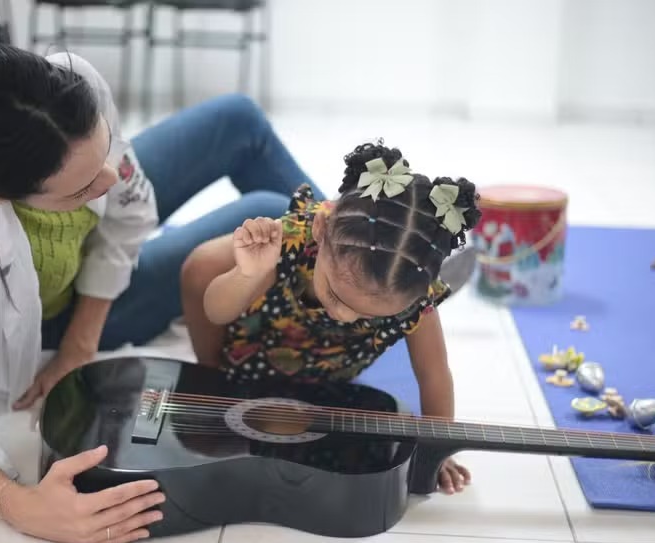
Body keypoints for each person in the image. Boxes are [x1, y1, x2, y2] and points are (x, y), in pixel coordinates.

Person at [0, 43, 322, 543]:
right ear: (3, 195)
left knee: (238, 118)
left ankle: (362, 257)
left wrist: (83, 343)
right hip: (54, 317)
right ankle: (341, 276)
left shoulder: (71, 81)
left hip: (90, 278)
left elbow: (127, 203)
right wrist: (21, 506)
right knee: (274, 210)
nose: (109, 181)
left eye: (105, 150)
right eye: (78, 192)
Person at [181, 140, 482, 494]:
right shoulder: (289, 242)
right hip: (247, 361)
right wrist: (248, 274)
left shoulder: (415, 300)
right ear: (321, 229)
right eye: (337, 296)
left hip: (328, 382)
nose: (344, 316)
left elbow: (434, 375)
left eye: (366, 314)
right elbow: (216, 312)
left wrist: (438, 451)